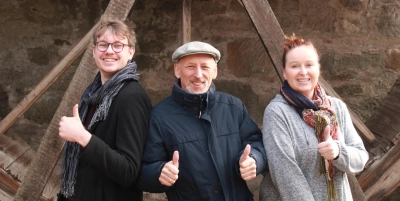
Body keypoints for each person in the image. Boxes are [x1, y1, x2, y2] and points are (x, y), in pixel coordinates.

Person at [138, 41, 267, 201]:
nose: (198, 74)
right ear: (177, 70)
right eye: (190, 67)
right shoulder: (159, 117)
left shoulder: (233, 107)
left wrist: (254, 159)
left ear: (215, 71)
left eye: (205, 67)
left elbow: (256, 142)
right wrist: (159, 173)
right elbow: (143, 171)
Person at [259, 34, 369, 201]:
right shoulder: (277, 112)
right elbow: (286, 176)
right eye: (295, 66)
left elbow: (360, 159)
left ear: (318, 69)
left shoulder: (336, 107)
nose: (303, 72)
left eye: (309, 65)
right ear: (284, 72)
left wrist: (339, 151)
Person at [57, 19, 151, 201]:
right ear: (94, 51)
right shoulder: (92, 93)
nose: (109, 51)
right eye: (103, 45)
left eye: (118, 45)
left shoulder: (131, 97)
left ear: (131, 52)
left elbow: (128, 170)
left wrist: (82, 137)